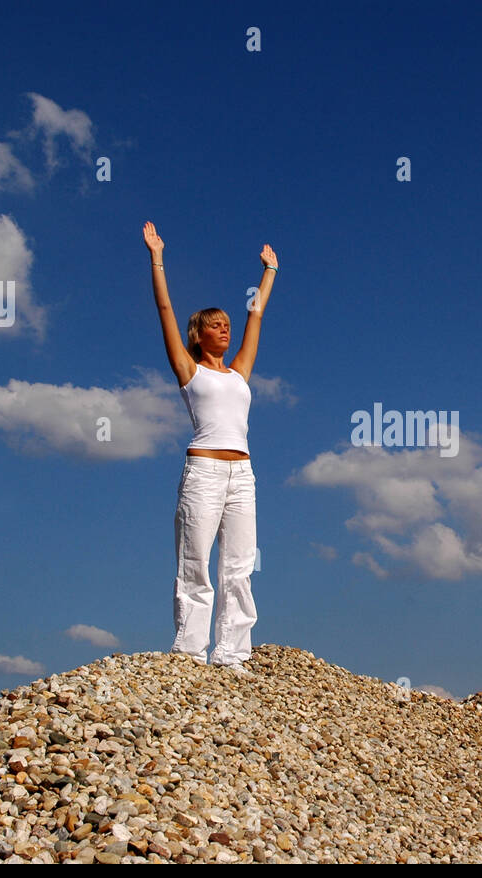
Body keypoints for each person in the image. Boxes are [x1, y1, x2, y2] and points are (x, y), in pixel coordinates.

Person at [143, 221, 277, 676]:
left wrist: (269, 272)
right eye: (216, 326)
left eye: (226, 325)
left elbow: (255, 316)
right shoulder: (189, 370)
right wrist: (157, 258)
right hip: (203, 470)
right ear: (198, 335)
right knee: (195, 560)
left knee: (239, 566)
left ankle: (234, 654)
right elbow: (164, 307)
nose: (225, 329)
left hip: (243, 475)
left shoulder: (239, 372)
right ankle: (189, 652)